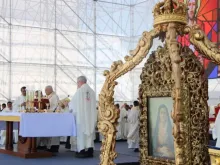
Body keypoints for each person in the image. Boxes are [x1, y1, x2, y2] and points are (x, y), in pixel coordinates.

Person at [69, 76, 97, 158]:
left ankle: (81, 151)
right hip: (90, 118)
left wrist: (69, 108)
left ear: (80, 82)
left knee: (81, 134)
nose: (77, 84)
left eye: (77, 83)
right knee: (90, 133)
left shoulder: (79, 91)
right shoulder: (92, 92)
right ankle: (90, 150)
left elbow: (73, 105)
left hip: (81, 118)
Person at [37, 86, 60, 153]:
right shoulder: (47, 96)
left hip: (53, 116)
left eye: (46, 90)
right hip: (47, 116)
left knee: (53, 131)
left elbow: (54, 106)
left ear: (50, 90)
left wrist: (46, 109)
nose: (45, 91)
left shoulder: (54, 96)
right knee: (46, 131)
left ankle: (54, 147)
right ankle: (45, 145)